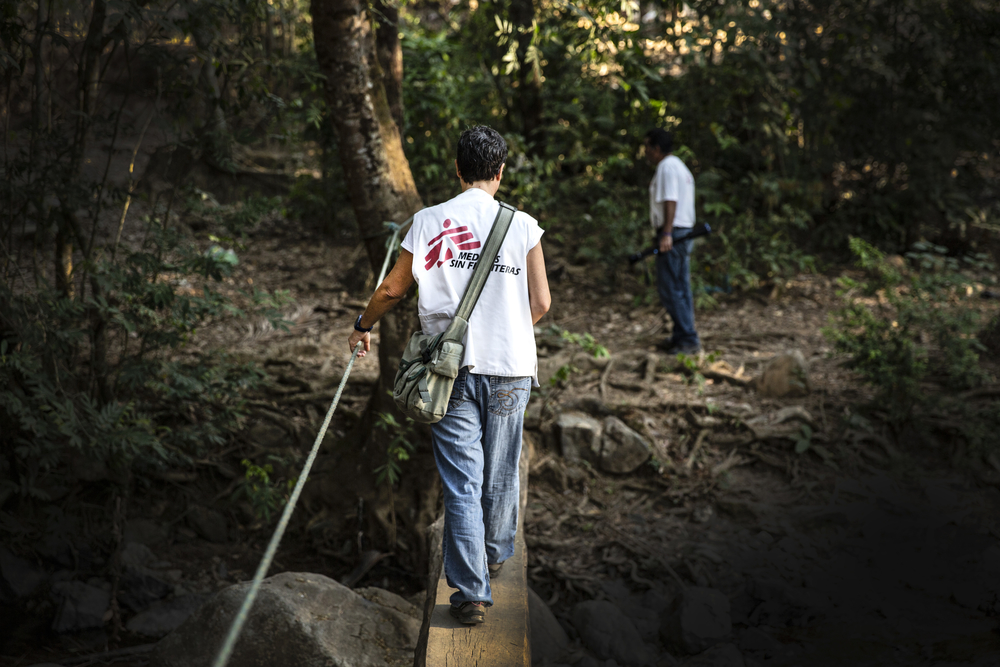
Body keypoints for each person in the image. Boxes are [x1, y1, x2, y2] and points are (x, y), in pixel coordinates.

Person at [347, 125, 551, 625]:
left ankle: (471, 595)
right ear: (499, 173)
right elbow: (542, 302)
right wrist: (506, 332)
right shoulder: (523, 225)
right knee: (501, 469)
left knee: (462, 481)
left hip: (449, 370)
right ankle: (498, 551)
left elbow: (394, 290)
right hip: (510, 370)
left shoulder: (428, 221)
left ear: (457, 170)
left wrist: (362, 325)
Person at [644, 128, 701, 355]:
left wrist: (666, 233)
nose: (645, 152)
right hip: (681, 231)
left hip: (674, 233)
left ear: (657, 149)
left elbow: (671, 200)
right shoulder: (679, 166)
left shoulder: (667, 166)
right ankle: (682, 335)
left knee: (670, 288)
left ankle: (688, 339)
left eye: (647, 147)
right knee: (681, 286)